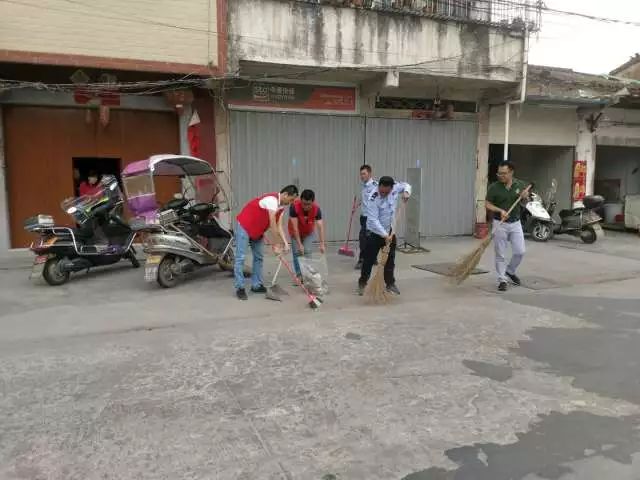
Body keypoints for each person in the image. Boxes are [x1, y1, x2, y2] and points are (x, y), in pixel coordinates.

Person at [234, 185, 299, 300]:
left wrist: (285, 243)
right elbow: (272, 222)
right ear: (285, 195)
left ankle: (256, 285)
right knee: (240, 258)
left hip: (258, 230)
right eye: (291, 199)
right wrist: (276, 245)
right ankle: (240, 287)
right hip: (245, 226)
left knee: (259, 257)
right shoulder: (272, 200)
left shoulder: (281, 207)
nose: (292, 202)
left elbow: (279, 226)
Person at [358, 176, 411, 296]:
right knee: (369, 260)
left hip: (390, 231)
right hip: (374, 233)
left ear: (391, 189)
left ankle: (390, 284)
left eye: (386, 192)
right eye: (382, 191)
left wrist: (407, 192)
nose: (383, 194)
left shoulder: (395, 188)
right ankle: (362, 283)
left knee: (390, 260)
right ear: (379, 186)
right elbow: (373, 220)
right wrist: (384, 235)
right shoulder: (373, 197)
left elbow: (407, 185)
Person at [485, 161, 531, 292]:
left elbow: (525, 202)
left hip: (515, 223)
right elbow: (487, 204)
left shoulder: (520, 184)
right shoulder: (494, 187)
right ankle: (502, 279)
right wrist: (500, 211)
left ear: (511, 172)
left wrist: (525, 197)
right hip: (500, 224)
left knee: (520, 251)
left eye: (503, 173)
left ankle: (510, 271)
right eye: (499, 173)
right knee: (500, 254)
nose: (500, 175)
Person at [288, 189, 326, 280]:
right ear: (301, 200)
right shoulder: (294, 207)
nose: (305, 206)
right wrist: (300, 244)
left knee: (307, 251)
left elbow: (320, 227)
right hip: (295, 231)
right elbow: (295, 228)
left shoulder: (316, 209)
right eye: (304, 203)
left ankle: (308, 275)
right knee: (297, 252)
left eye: (308, 204)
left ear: (313, 202)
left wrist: (322, 244)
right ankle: (299, 275)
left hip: (308, 232)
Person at [355, 164, 377, 270]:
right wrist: (357, 204)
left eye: (364, 174)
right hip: (363, 217)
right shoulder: (364, 186)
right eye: (361, 174)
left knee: (364, 238)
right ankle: (372, 258)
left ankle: (362, 259)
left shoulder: (375, 186)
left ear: (370, 173)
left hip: (371, 217)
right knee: (367, 238)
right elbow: (364, 199)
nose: (362, 176)